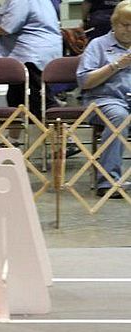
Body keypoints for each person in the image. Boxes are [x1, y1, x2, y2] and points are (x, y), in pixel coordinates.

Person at [0, 0, 66, 153]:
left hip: (31, 54)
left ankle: (66, 141)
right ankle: (11, 141)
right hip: (29, 54)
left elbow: (9, 26)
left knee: (41, 101)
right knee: (15, 98)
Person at [77, 0, 131, 199]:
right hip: (103, 100)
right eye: (126, 25)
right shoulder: (98, 45)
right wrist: (116, 65)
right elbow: (85, 81)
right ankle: (108, 182)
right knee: (119, 117)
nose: (130, 30)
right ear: (114, 24)